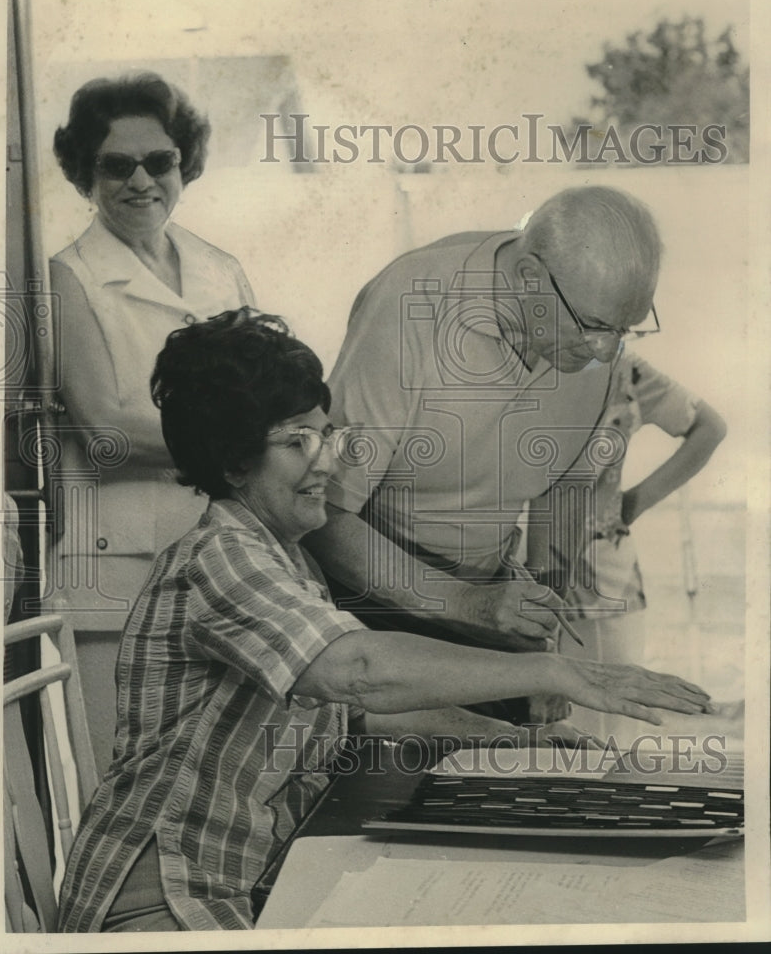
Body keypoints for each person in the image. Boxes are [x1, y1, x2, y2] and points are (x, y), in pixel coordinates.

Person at [57, 308, 713, 932]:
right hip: (160, 895)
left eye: (327, 434)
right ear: (234, 462)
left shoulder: (285, 560)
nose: (327, 460)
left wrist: (505, 739)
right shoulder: (220, 556)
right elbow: (361, 672)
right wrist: (553, 670)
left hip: (232, 879)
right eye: (296, 441)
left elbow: (350, 715)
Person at [304, 185, 664, 724]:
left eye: (624, 329)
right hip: (370, 609)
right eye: (593, 327)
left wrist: (541, 637)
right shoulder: (410, 308)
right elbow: (321, 516)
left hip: (488, 602)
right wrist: (469, 606)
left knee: (526, 767)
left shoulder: (594, 335)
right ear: (530, 278)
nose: (607, 351)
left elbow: (563, 491)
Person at [46, 73, 255, 772]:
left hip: (219, 561)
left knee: (214, 772)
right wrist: (237, 444)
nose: (141, 181)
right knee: (123, 773)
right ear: (85, 173)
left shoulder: (221, 269)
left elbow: (267, 395)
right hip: (114, 570)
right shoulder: (68, 277)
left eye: (158, 161)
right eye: (116, 165)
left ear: (182, 163)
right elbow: (105, 428)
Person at [546, 348, 726, 737]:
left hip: (596, 582)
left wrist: (629, 505)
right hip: (495, 578)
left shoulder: (624, 366)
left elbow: (710, 428)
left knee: (602, 744)